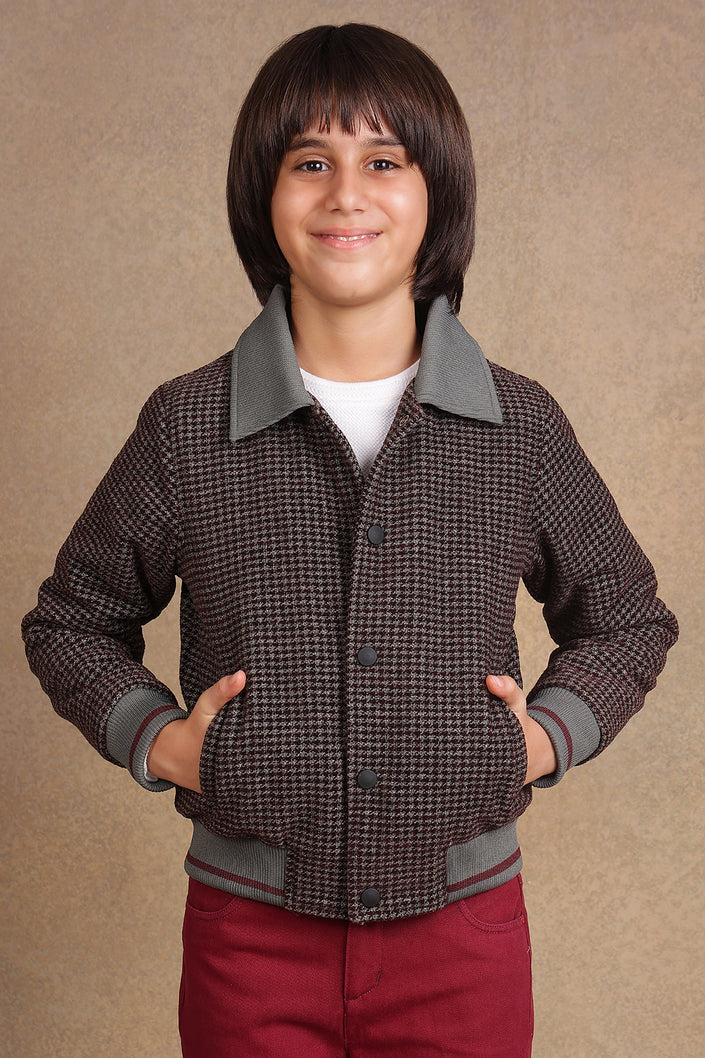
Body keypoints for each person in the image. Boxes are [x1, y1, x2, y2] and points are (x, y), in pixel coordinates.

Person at [21, 22, 678, 1058]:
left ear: (436, 194)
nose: (345, 195)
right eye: (309, 162)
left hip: (464, 939)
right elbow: (72, 622)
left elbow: (628, 618)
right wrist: (161, 740)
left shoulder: (518, 425)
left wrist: (542, 737)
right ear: (263, 194)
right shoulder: (188, 425)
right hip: (247, 942)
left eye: (383, 161)